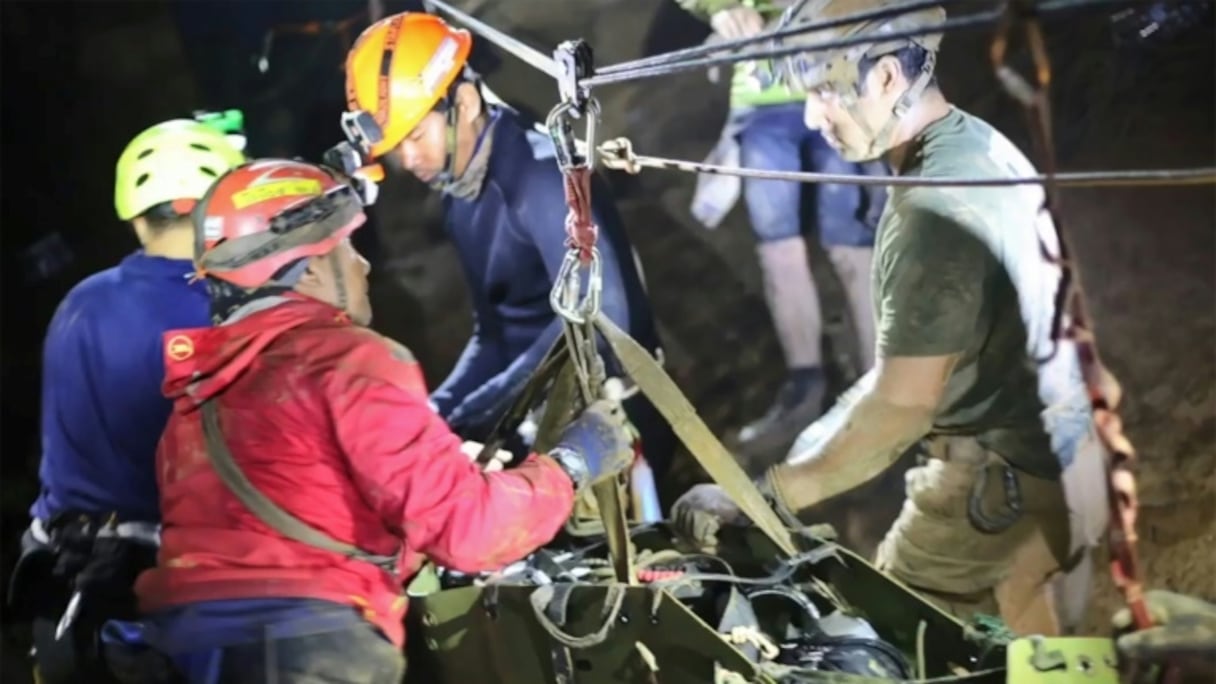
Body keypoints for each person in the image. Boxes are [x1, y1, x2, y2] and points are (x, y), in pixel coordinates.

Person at [671, 0, 1110, 635]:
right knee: (1039, 666)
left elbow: (900, 407)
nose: (812, 116)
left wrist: (764, 497)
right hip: (1072, 471)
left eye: (824, 89)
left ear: (884, 78)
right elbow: (894, 378)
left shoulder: (930, 213)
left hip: (997, 504)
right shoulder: (979, 144)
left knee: (886, 641)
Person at [127, 158, 633, 682]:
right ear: (313, 269)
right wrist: (572, 464)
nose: (364, 267)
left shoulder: (197, 402)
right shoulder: (346, 361)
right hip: (306, 650)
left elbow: (302, 523)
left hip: (184, 650)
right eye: (349, 248)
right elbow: (469, 529)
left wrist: (446, 479)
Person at [341, 12, 677, 503]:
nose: (408, 161)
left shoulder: (542, 179)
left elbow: (604, 322)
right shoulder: (460, 188)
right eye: (396, 148)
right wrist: (440, 413)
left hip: (617, 424)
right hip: (542, 423)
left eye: (416, 136)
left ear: (466, 101)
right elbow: (495, 331)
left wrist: (484, 408)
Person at [5, 119, 246, 684]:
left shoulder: (78, 303)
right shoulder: (226, 308)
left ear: (137, 217)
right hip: (172, 610)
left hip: (70, 591)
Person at [677, 0, 889, 463]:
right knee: (778, 247)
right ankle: (805, 389)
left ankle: (884, 390)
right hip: (761, 96)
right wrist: (720, 8)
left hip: (840, 78)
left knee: (851, 242)